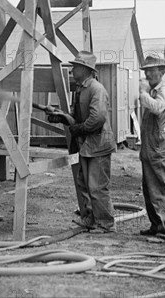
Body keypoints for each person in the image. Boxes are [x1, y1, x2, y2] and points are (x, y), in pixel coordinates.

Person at [48, 51, 117, 233]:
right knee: (85, 183)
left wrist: (78, 129)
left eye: (76, 66)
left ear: (86, 70)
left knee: (97, 186)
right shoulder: (80, 89)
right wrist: (61, 118)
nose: (72, 69)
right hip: (88, 145)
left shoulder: (96, 89)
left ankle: (105, 224)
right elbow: (77, 117)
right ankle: (91, 219)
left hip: (99, 144)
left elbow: (97, 118)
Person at [138, 55, 165, 243]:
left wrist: (142, 93)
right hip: (150, 149)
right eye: (146, 70)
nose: (148, 74)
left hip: (160, 149)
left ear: (162, 72)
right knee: (149, 189)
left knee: (160, 189)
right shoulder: (153, 92)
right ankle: (156, 225)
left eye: (152, 70)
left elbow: (158, 108)